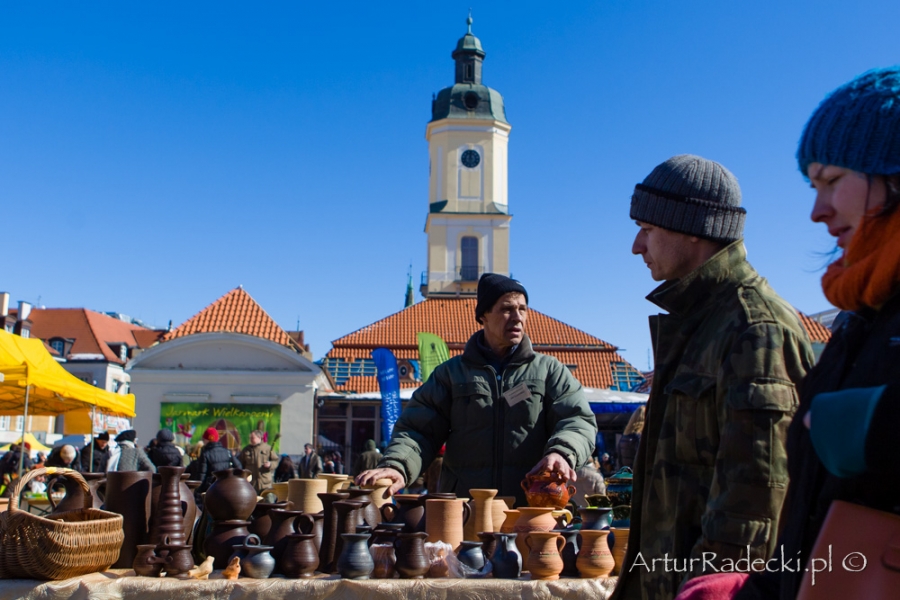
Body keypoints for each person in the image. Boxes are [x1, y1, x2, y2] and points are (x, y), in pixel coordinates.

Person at [729, 66, 900, 600]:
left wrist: (882, 423)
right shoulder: (861, 315)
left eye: (831, 181)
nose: (816, 211)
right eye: (813, 185)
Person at [611, 155, 814, 600]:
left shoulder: (755, 329)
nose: (636, 246)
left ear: (691, 228)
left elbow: (753, 518)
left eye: (647, 229)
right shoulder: (702, 323)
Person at [356, 273, 598, 506]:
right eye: (506, 309)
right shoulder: (450, 374)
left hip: (531, 510)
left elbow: (578, 420)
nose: (518, 317)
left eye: (522, 309)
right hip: (465, 511)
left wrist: (562, 452)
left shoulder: (549, 371)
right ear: (483, 315)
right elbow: (417, 430)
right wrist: (398, 465)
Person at [196, 427, 241, 494]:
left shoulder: (206, 454)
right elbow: (239, 467)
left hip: (211, 487)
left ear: (207, 440)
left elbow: (202, 474)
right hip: (227, 485)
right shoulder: (227, 452)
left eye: (204, 439)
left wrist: (198, 489)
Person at [239, 429, 274, 494]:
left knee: (269, 502)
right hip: (251, 484)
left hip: (265, 483)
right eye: (250, 438)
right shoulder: (246, 449)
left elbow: (275, 460)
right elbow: (240, 463)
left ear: (259, 437)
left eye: (253, 438)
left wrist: (270, 464)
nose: (251, 439)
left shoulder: (267, 448)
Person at [616, 406, 644, 470]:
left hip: (626, 474)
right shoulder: (639, 437)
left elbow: (619, 459)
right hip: (637, 475)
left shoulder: (624, 437)